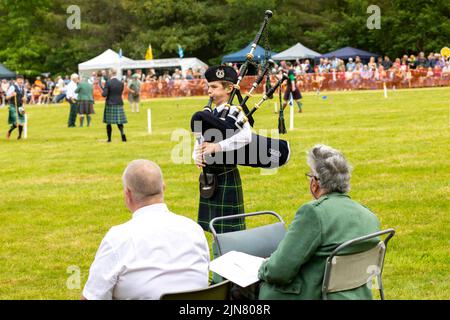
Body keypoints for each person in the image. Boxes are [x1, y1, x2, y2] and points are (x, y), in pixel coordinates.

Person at [255, 144, 381, 300]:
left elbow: (278, 272)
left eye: (310, 175)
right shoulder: (369, 215)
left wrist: (262, 267)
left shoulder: (313, 213)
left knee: (239, 289)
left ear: (314, 183)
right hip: (356, 296)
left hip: (314, 295)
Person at [82, 160, 210, 300]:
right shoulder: (194, 229)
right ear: (163, 187)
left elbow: (92, 296)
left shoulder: (118, 238)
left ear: (128, 194)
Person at [101, 68, 127, 142]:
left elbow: (104, 94)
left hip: (110, 103)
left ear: (110, 73)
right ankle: (122, 134)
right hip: (119, 103)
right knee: (119, 122)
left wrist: (103, 89)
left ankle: (109, 139)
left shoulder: (108, 82)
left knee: (109, 123)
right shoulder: (120, 83)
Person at [5, 75, 26, 140]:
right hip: (13, 106)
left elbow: (24, 98)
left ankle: (19, 136)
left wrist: (24, 99)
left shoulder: (22, 88)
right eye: (19, 79)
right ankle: (9, 131)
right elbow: (7, 97)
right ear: (16, 80)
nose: (21, 81)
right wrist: (12, 94)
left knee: (21, 121)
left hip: (20, 106)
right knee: (16, 122)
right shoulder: (12, 87)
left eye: (21, 80)